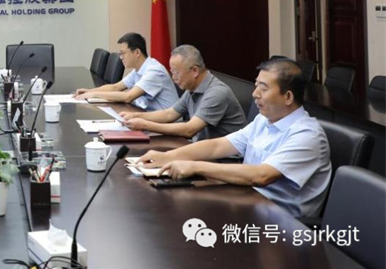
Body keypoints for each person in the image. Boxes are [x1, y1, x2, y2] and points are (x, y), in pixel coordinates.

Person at [138, 59, 331, 218]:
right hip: (248, 201)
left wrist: (195, 166)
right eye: (256, 85)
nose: (255, 94)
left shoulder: (307, 135)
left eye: (263, 89)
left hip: (281, 222)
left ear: (288, 97)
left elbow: (261, 175)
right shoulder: (263, 120)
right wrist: (168, 156)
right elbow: (217, 146)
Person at [121, 45, 246, 141]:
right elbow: (169, 114)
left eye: (176, 72)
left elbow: (189, 129)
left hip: (225, 160)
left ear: (195, 71)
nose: (173, 77)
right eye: (172, 72)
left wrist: (145, 125)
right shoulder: (192, 88)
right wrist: (136, 116)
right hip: (203, 150)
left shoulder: (216, 93)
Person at [75, 32, 178, 111]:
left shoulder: (154, 71)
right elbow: (115, 87)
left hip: (168, 124)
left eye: (123, 53)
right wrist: (90, 91)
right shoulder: (138, 70)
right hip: (149, 116)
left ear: (137, 52)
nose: (121, 57)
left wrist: (94, 95)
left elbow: (128, 96)